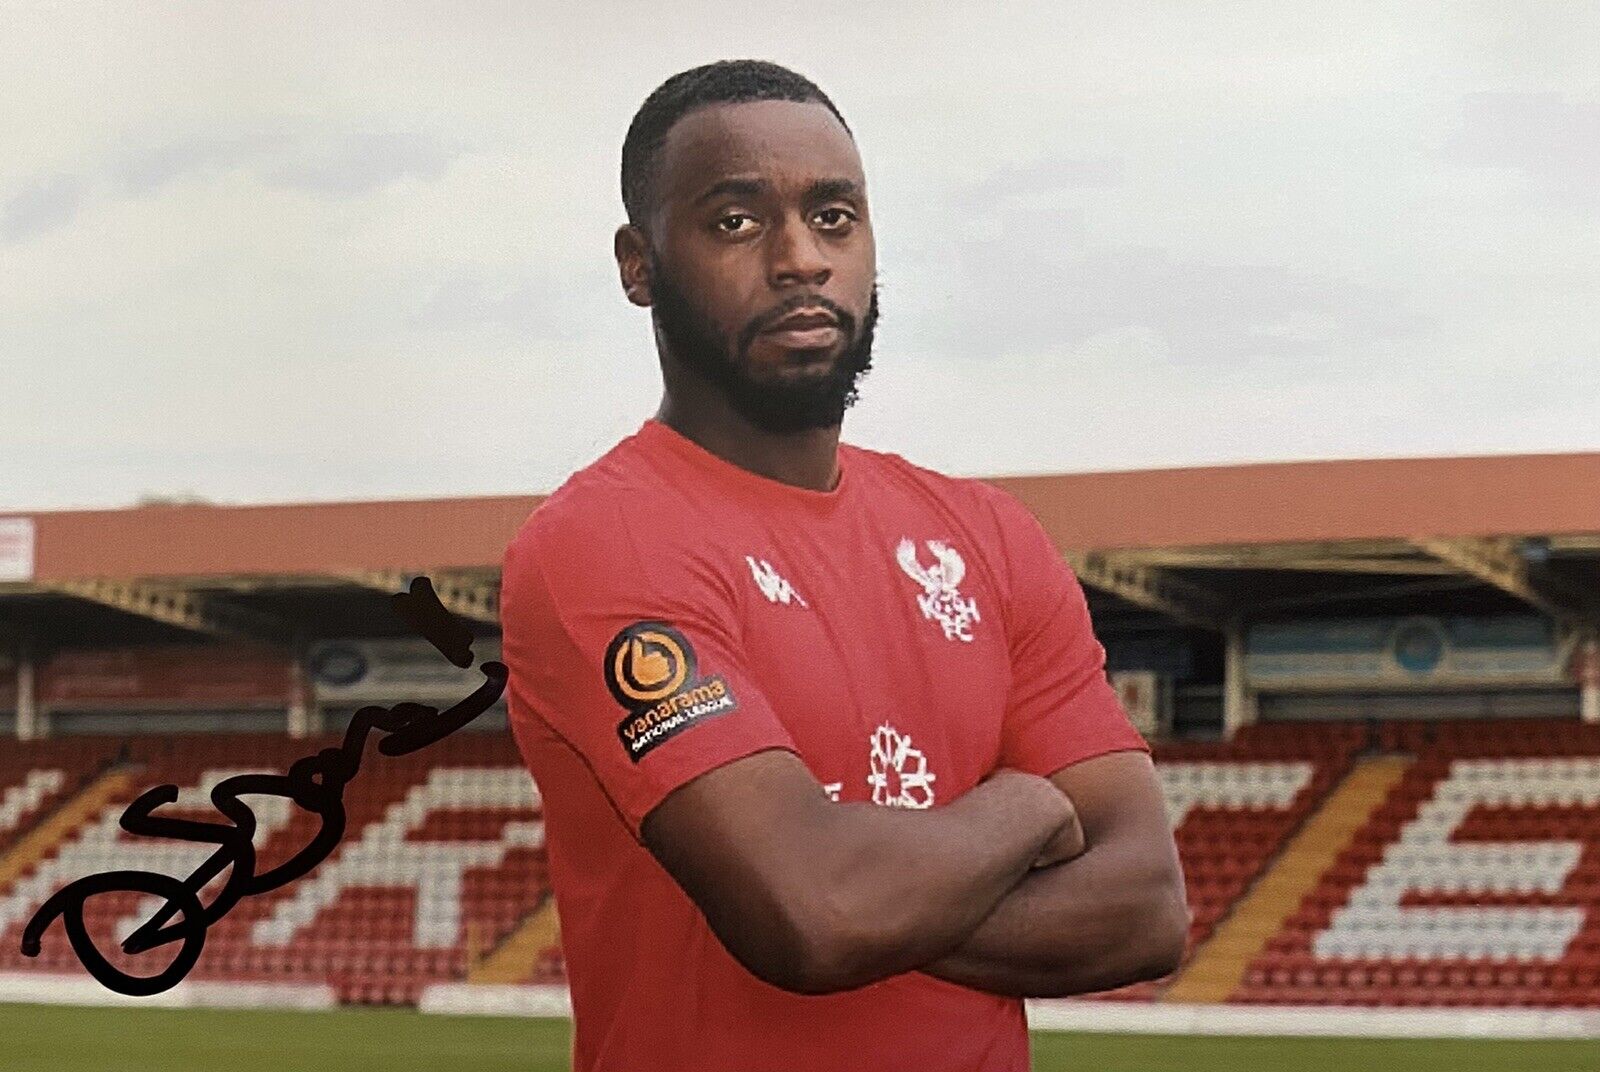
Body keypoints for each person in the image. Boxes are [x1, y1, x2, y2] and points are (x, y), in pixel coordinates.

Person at [499, 58, 1187, 1072]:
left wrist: (876, 892)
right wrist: (1022, 805)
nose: (799, 260)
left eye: (834, 217)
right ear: (637, 264)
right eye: (735, 221)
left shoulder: (986, 535)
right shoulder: (602, 542)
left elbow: (1145, 908)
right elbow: (810, 915)